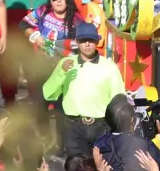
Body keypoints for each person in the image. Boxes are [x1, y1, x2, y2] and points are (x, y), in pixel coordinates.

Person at [43, 23, 126, 158]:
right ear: (76, 42)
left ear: (97, 41)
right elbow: (48, 93)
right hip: (74, 126)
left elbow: (119, 99)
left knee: (103, 170)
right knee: (77, 170)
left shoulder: (109, 67)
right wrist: (61, 73)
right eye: (83, 40)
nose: (87, 44)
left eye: (91, 40)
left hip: (102, 126)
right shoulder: (66, 63)